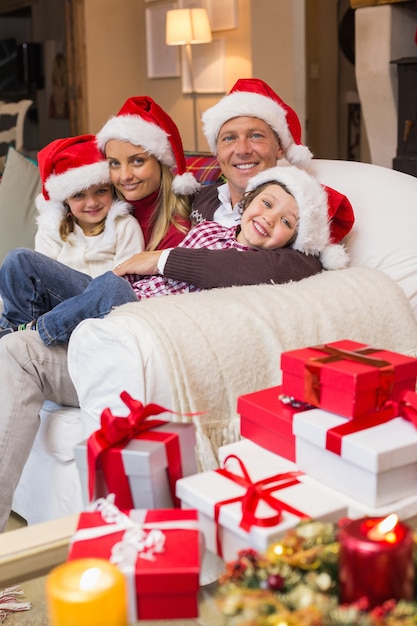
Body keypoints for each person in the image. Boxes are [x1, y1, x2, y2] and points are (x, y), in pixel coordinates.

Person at [0, 165, 349, 345]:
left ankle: (32, 334)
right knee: (20, 260)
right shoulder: (209, 228)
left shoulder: (265, 267)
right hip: (116, 287)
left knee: (109, 288)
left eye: (286, 222)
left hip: (145, 314)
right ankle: (13, 327)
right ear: (247, 202)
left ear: (293, 239)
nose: (269, 219)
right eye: (267, 204)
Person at [113, 78, 355, 290]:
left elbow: (285, 269)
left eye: (256, 136)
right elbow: (150, 201)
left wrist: (162, 260)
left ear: (280, 146)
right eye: (229, 138)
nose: (242, 150)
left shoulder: (297, 209)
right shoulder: (201, 198)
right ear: (217, 152)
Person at [96, 95, 200, 251]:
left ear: (161, 163)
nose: (125, 176)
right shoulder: (97, 211)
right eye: (115, 163)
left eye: (137, 161)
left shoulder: (178, 232)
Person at [34, 134, 144, 277]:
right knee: (18, 258)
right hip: (63, 294)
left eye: (101, 191)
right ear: (66, 199)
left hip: (107, 292)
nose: (92, 203)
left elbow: (129, 275)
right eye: (78, 195)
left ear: (112, 190)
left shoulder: (124, 225)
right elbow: (42, 273)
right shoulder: (52, 228)